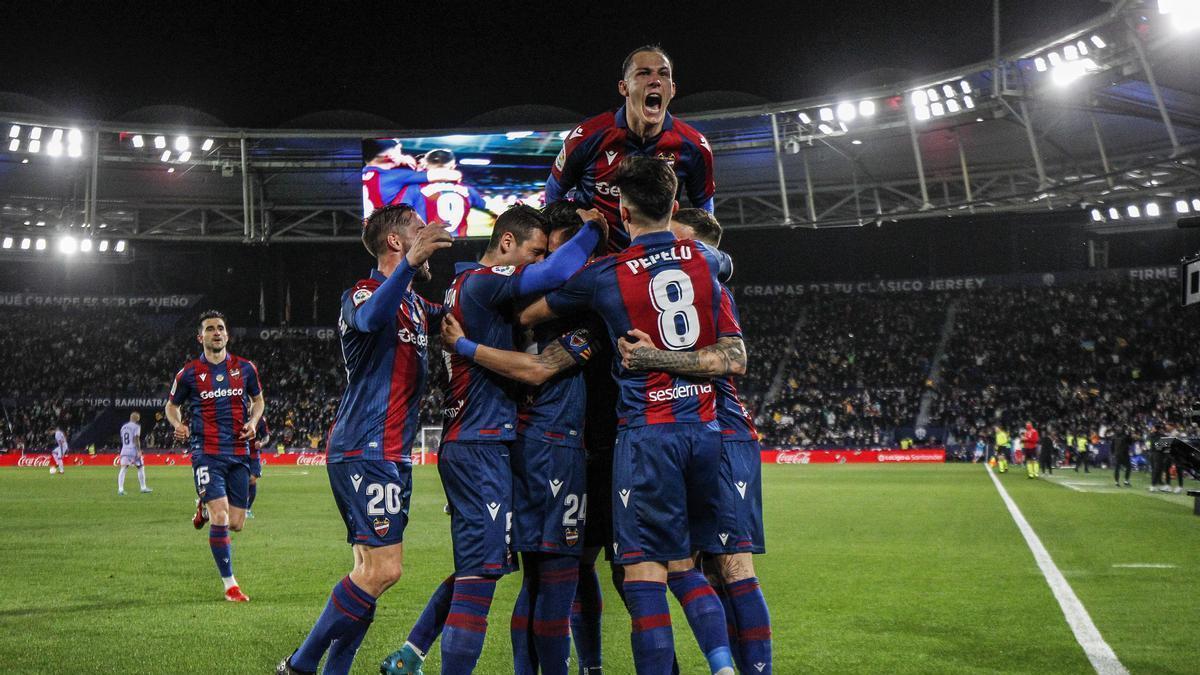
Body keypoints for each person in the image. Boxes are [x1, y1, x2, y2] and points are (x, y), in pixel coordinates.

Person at [519, 156, 736, 675]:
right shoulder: (707, 262)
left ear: (622, 207)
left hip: (646, 434)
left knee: (641, 573)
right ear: (672, 204)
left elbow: (530, 310)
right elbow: (722, 274)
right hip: (705, 431)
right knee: (686, 564)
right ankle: (725, 665)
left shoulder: (606, 274)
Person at [382, 204, 604, 675]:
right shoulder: (483, 283)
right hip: (480, 445)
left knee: (485, 567)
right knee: (481, 576)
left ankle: (414, 649)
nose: (540, 264)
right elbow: (560, 272)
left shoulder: (470, 290)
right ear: (506, 245)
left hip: (487, 445)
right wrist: (594, 230)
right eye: (534, 253)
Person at [277, 205, 453, 675]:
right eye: (417, 229)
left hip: (392, 453)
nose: (426, 234)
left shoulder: (416, 305)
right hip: (364, 446)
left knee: (369, 571)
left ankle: (335, 670)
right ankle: (300, 665)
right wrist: (413, 263)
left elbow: (463, 305)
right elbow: (373, 317)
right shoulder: (362, 291)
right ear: (396, 242)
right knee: (383, 570)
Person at [617, 207, 771, 674]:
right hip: (686, 433)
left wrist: (651, 357)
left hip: (722, 432)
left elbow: (734, 360)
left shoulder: (709, 286)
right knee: (689, 568)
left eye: (680, 242)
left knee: (732, 566)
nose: (670, 251)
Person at [546, 45, 715, 251]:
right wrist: (573, 225)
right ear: (623, 87)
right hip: (598, 261)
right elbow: (554, 192)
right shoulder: (588, 136)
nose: (655, 80)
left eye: (663, 74)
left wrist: (703, 256)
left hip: (655, 260)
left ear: (672, 89)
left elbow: (705, 210)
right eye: (643, 73)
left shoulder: (694, 145)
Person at [165, 310, 265, 603]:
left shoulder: (246, 368)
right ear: (201, 337)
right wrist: (178, 424)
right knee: (221, 517)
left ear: (227, 335)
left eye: (220, 328)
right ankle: (230, 585)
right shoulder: (189, 373)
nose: (216, 333)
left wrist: (254, 422)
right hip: (206, 451)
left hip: (238, 451)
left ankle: (204, 506)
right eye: (210, 329)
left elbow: (258, 401)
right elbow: (172, 406)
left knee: (236, 522)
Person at [395, 149, 490, 237]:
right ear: (453, 167)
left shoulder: (414, 189)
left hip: (426, 247)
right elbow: (487, 207)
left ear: (426, 166)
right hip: (461, 246)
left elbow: (396, 216)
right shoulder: (468, 190)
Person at [362, 140, 463, 219]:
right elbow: (452, 175)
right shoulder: (396, 176)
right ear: (390, 155)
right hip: (384, 229)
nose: (402, 155)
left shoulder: (362, 173)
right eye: (399, 150)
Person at [117, 412, 151, 495]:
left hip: (124, 449)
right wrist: (139, 450)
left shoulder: (123, 427)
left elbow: (122, 438)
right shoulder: (136, 427)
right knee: (140, 467)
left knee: (123, 469)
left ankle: (120, 489)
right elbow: (136, 439)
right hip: (133, 450)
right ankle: (143, 488)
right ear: (137, 418)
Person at [246, 417, 270, 518]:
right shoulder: (237, 413)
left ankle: (247, 508)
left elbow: (266, 436)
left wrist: (261, 443)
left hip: (253, 454)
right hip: (239, 452)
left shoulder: (260, 419)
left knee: (252, 479)